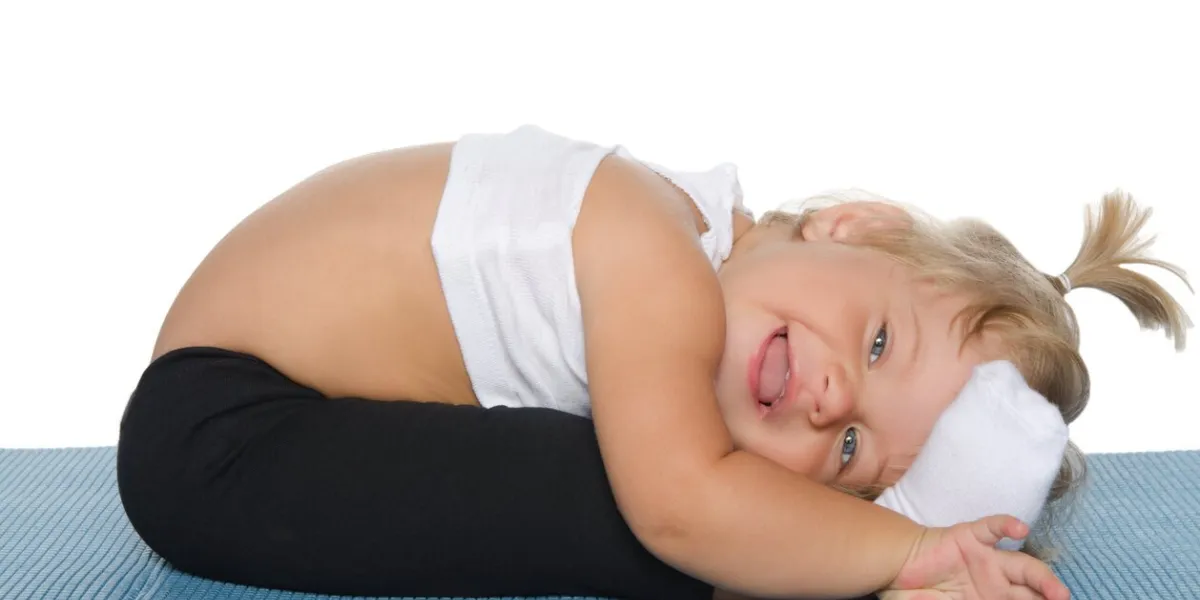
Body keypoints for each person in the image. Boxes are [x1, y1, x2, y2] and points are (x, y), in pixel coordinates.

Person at [116, 125, 1190, 600]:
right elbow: (681, 508)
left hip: (288, 420)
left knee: (677, 492)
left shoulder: (705, 273)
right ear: (852, 226)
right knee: (658, 516)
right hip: (219, 431)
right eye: (874, 343)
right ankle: (859, 556)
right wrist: (903, 556)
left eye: (854, 446)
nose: (826, 400)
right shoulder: (656, 255)